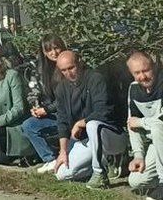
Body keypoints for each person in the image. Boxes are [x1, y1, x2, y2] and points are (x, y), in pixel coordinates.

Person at [52, 50, 128, 188]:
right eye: (64, 70)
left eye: (71, 67)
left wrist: (82, 123)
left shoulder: (95, 79)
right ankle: (101, 163)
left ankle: (100, 174)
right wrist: (63, 151)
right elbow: (62, 121)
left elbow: (104, 110)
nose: (69, 73)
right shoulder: (61, 89)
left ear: (79, 62)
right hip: (87, 140)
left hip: (110, 134)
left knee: (93, 125)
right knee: (61, 174)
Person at [22, 34, 66, 170]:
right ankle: (50, 159)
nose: (54, 53)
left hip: (68, 114)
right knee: (28, 125)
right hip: (52, 113)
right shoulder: (42, 71)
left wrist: (47, 110)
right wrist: (36, 107)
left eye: (56, 48)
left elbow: (65, 100)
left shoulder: (67, 68)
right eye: (49, 50)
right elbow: (38, 94)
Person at [126, 51, 162, 197]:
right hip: (157, 144)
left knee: (158, 127)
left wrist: (141, 122)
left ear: (154, 67)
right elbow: (132, 124)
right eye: (137, 73)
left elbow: (160, 122)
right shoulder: (133, 89)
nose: (143, 76)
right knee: (136, 181)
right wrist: (138, 155)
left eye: (146, 70)